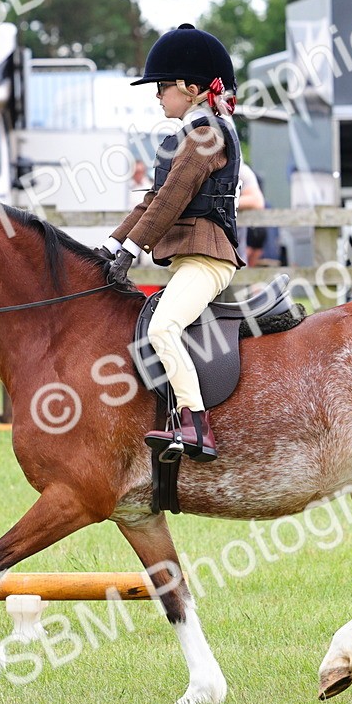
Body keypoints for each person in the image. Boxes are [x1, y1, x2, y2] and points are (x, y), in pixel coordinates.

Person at [101, 24, 243, 462]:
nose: (157, 96)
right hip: (190, 260)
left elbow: (173, 198)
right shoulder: (186, 136)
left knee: (163, 328)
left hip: (208, 260)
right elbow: (152, 200)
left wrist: (133, 250)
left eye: (163, 87)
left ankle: (196, 426)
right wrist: (112, 244)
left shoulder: (206, 135)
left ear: (192, 89)